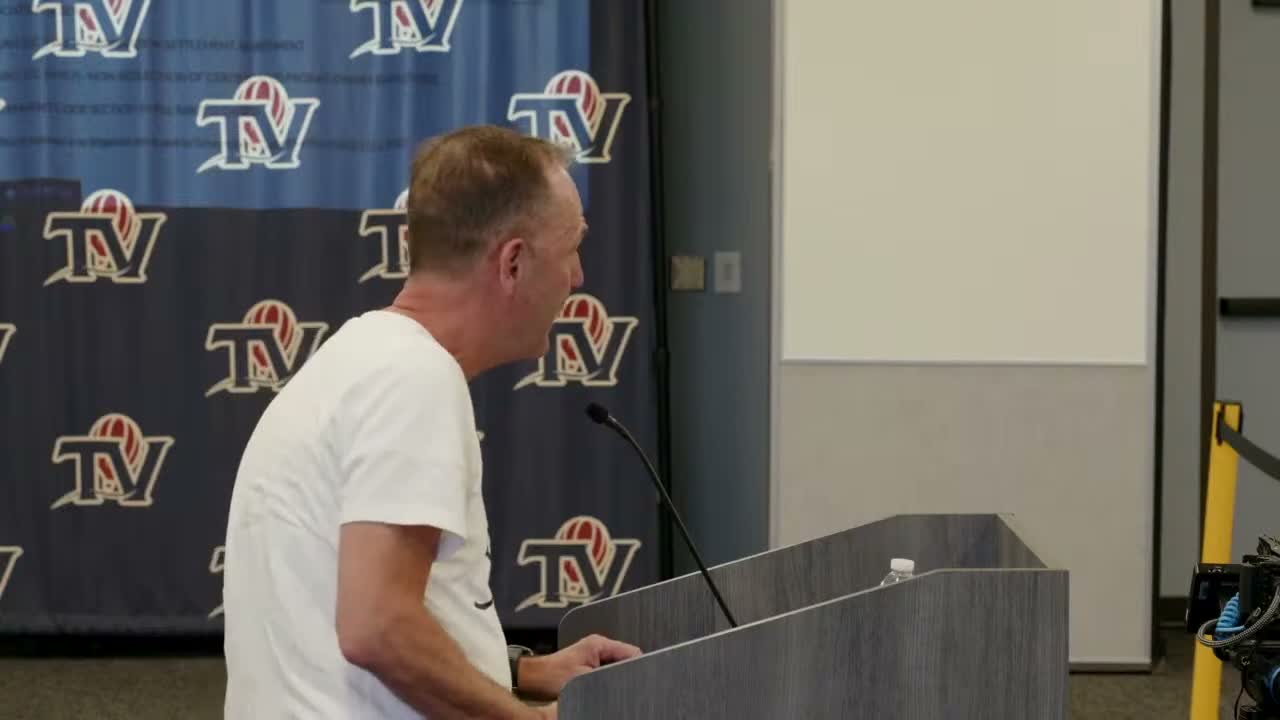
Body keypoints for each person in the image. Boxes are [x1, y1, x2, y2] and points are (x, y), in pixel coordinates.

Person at [221, 124, 642, 719]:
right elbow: (377, 627)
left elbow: (352, 604)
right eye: (571, 247)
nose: (578, 277)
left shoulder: (366, 355)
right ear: (513, 263)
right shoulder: (413, 379)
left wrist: (522, 670)